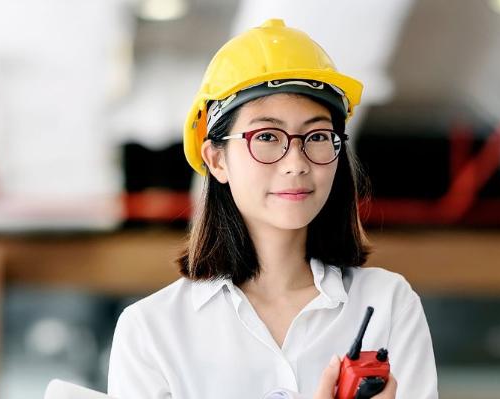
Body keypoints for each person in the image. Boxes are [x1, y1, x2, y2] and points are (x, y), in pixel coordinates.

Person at [108, 19, 438, 399]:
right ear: (216, 159)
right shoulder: (153, 331)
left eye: (316, 136)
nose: (295, 162)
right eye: (266, 136)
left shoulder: (388, 303)